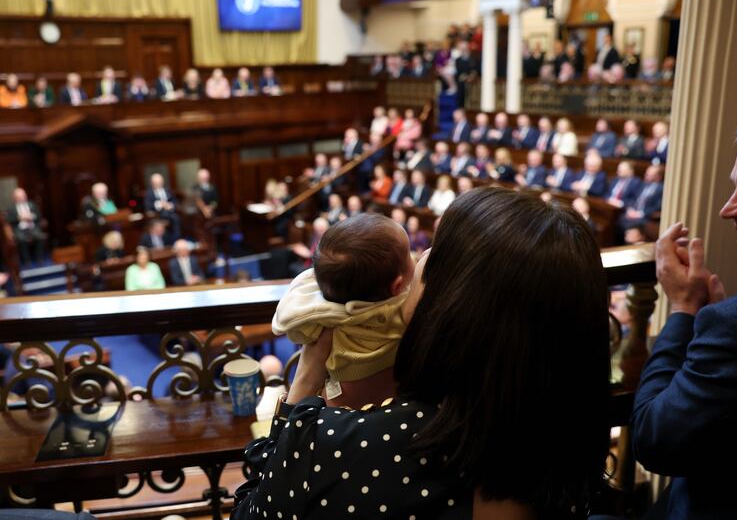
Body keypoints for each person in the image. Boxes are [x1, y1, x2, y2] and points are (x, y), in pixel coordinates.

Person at [234, 188, 609, 519]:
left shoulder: (346, 443)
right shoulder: (567, 430)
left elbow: (253, 511)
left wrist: (304, 383)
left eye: (439, 252)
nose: (423, 255)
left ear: (455, 305)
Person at [631, 121, 737, 519]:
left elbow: (653, 438)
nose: (727, 209)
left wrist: (684, 310)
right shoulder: (732, 326)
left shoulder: (736, 328)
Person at [271, 213, 414, 409]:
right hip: (393, 405)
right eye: (409, 254)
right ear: (397, 286)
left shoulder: (322, 317)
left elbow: (296, 329)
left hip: (337, 409)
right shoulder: (407, 310)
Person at [6, 188, 45, 266]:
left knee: (40, 237)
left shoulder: (32, 205)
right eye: (19, 197)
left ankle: (39, 258)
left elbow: (39, 216)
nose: (22, 198)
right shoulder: (11, 208)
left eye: (23, 196)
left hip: (32, 227)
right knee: (21, 240)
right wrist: (19, 218)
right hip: (19, 229)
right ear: (15, 198)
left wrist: (32, 216)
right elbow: (9, 220)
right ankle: (26, 261)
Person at [619, 165, 664, 231]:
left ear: (658, 177)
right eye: (646, 174)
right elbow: (634, 199)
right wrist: (630, 209)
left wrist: (640, 214)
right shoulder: (643, 184)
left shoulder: (661, 189)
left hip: (646, 217)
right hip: (634, 213)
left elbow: (657, 208)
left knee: (629, 226)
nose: (645, 176)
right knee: (618, 221)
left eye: (649, 175)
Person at [144, 173, 181, 239]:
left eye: (160, 182)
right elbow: (147, 205)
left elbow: (174, 202)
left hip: (170, 213)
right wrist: (160, 204)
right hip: (158, 214)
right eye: (157, 183)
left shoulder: (168, 190)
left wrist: (170, 205)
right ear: (152, 183)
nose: (159, 184)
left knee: (176, 218)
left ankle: (176, 238)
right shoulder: (149, 193)